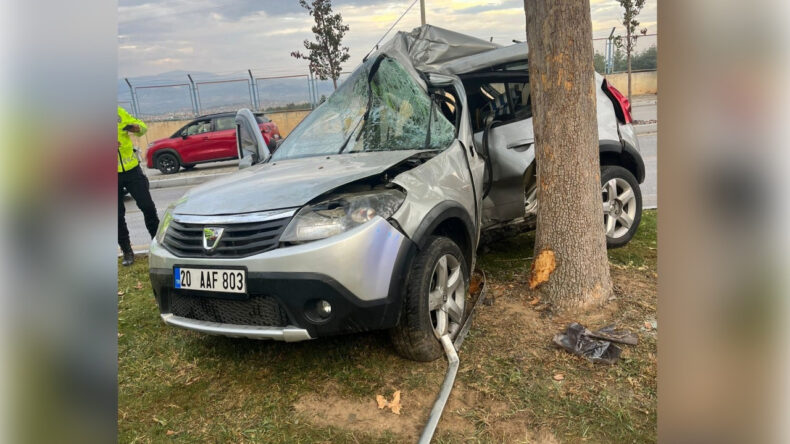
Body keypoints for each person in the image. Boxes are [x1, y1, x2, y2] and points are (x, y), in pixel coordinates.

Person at [118, 106, 159, 266]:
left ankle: (157, 244)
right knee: (116, 216)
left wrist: (134, 128)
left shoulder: (119, 113)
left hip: (132, 170)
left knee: (148, 206)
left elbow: (142, 128)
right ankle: (127, 251)